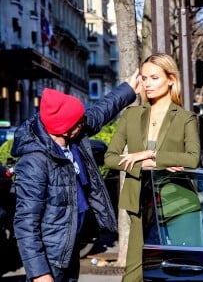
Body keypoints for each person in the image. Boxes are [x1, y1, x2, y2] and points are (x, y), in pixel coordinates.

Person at [11, 71, 141, 282]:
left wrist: (128, 89)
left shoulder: (73, 135)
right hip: (51, 257)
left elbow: (99, 113)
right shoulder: (34, 162)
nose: (85, 123)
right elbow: (25, 222)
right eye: (79, 122)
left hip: (70, 245)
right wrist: (39, 273)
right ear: (63, 129)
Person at [104, 53, 200, 282]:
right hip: (140, 203)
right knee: (134, 274)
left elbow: (192, 158)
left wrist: (152, 153)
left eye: (154, 77)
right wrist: (145, 163)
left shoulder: (186, 117)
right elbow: (110, 158)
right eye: (144, 78)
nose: (147, 83)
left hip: (179, 203)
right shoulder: (131, 115)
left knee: (181, 271)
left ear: (170, 79)